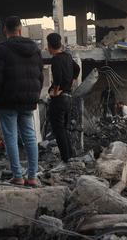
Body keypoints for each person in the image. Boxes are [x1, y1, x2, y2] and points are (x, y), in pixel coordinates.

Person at [0, 16, 43, 187]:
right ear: (20, 29)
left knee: (10, 137)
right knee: (30, 137)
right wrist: (34, 95)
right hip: (28, 100)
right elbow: (40, 75)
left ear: (5, 30)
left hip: (7, 101)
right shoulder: (35, 49)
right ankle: (32, 177)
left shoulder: (1, 49)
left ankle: (18, 175)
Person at [46, 32, 80, 163]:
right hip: (68, 98)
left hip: (59, 99)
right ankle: (69, 156)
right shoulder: (67, 56)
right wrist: (72, 81)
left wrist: (55, 91)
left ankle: (66, 158)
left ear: (49, 46)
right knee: (63, 129)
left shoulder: (56, 59)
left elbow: (58, 77)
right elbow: (77, 69)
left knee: (58, 129)